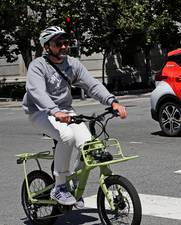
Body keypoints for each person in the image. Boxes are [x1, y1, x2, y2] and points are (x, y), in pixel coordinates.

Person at [22, 26, 127, 206]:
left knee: (89, 146)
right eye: (58, 43)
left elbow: (92, 84)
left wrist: (112, 102)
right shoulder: (38, 65)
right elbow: (36, 91)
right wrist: (54, 111)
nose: (64, 46)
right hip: (39, 111)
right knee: (67, 136)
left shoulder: (72, 64)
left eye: (66, 43)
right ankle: (60, 188)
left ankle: (74, 185)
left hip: (65, 111)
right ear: (47, 46)